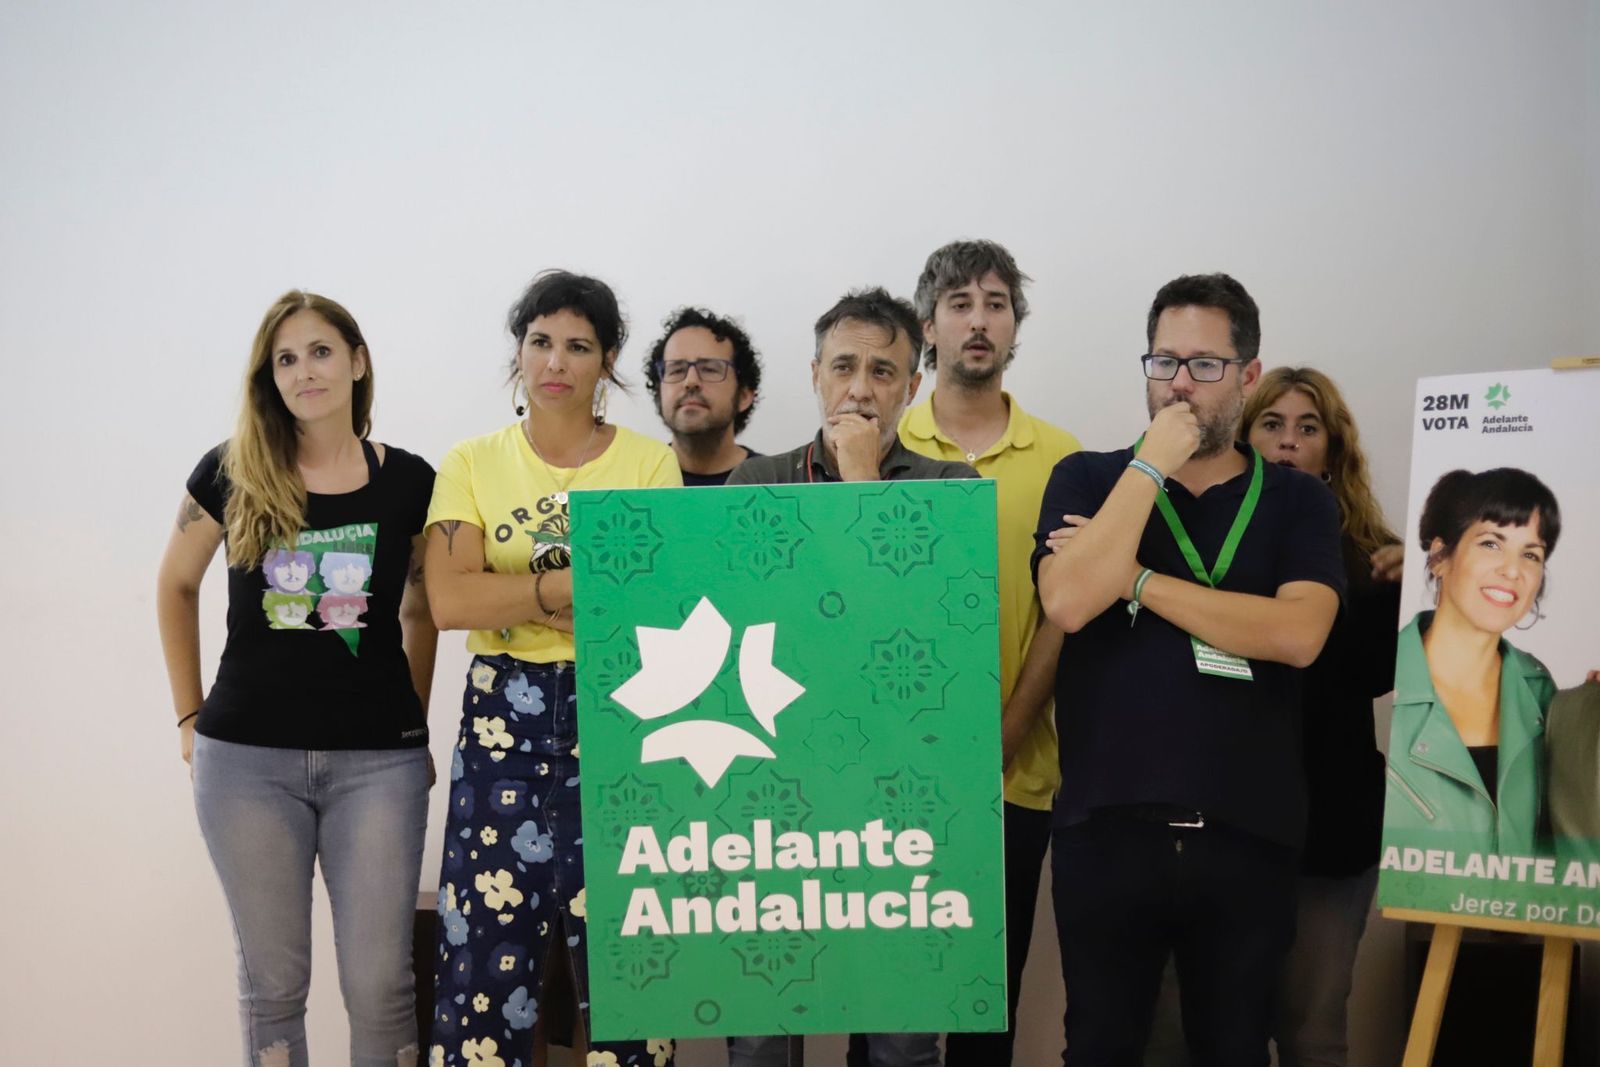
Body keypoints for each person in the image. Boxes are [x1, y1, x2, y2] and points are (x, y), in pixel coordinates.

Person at [1032, 273, 1344, 1065]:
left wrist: (1136, 580)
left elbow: (1297, 633)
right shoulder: (1088, 478)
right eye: (1163, 360)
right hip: (1105, 832)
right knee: (1098, 1047)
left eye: (1205, 364)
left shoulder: (1298, 502)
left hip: (1249, 834)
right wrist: (1151, 467)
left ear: (1246, 374)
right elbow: (1068, 600)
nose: (1178, 382)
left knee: (1234, 1048)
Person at [156, 290, 438, 1066]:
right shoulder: (230, 471)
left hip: (378, 764)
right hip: (245, 763)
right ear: (268, 378)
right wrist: (188, 719)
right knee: (273, 986)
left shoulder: (412, 481)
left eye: (320, 351)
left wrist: (412, 725)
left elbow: (422, 610)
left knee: (382, 984)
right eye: (285, 358)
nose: (304, 370)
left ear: (357, 361)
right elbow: (175, 584)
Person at [424, 270, 680, 1067]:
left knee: (628, 951)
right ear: (519, 353)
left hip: (626, 707)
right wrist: (561, 588)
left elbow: (654, 603)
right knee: (484, 951)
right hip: (505, 709)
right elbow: (449, 599)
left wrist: (512, 595)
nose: (556, 360)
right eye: (540, 341)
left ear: (606, 363)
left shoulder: (649, 464)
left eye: (578, 344)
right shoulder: (470, 460)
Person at [1128, 366, 1409, 1067]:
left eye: (1307, 428)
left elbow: (1379, 678)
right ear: (1245, 439)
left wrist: (1421, 599)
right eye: (1272, 425)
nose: (1288, 443)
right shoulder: (1208, 546)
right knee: (1204, 1032)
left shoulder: (1375, 563)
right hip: (1221, 825)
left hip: (1329, 832)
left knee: (1312, 1031)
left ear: (1333, 448)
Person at [726, 286, 974, 1067]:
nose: (860, 387)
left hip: (902, 801)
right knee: (764, 1035)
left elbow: (915, 648)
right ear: (813, 374)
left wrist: (862, 477)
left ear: (913, 387)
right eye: (843, 366)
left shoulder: (950, 489)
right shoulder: (751, 484)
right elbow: (748, 637)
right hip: (773, 798)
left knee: (902, 1039)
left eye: (882, 371)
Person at [897, 238, 1080, 1067]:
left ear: (1015, 327)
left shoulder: (1067, 461)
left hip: (1017, 772)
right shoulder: (871, 448)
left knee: (984, 1010)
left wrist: (1005, 736)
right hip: (885, 777)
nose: (980, 320)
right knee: (888, 1006)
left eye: (997, 304)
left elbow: (1064, 617)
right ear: (928, 326)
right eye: (960, 303)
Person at [1386, 467, 1561, 857]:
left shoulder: (1542, 691)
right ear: (1439, 557)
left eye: (1531, 554)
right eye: (1491, 544)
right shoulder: (1384, 677)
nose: (1512, 571)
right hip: (1394, 912)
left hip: (1520, 916)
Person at [644, 306, 764, 485]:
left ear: (744, 396)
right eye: (676, 370)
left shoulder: (773, 484)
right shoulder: (635, 482)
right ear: (658, 393)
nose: (690, 382)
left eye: (709, 369)